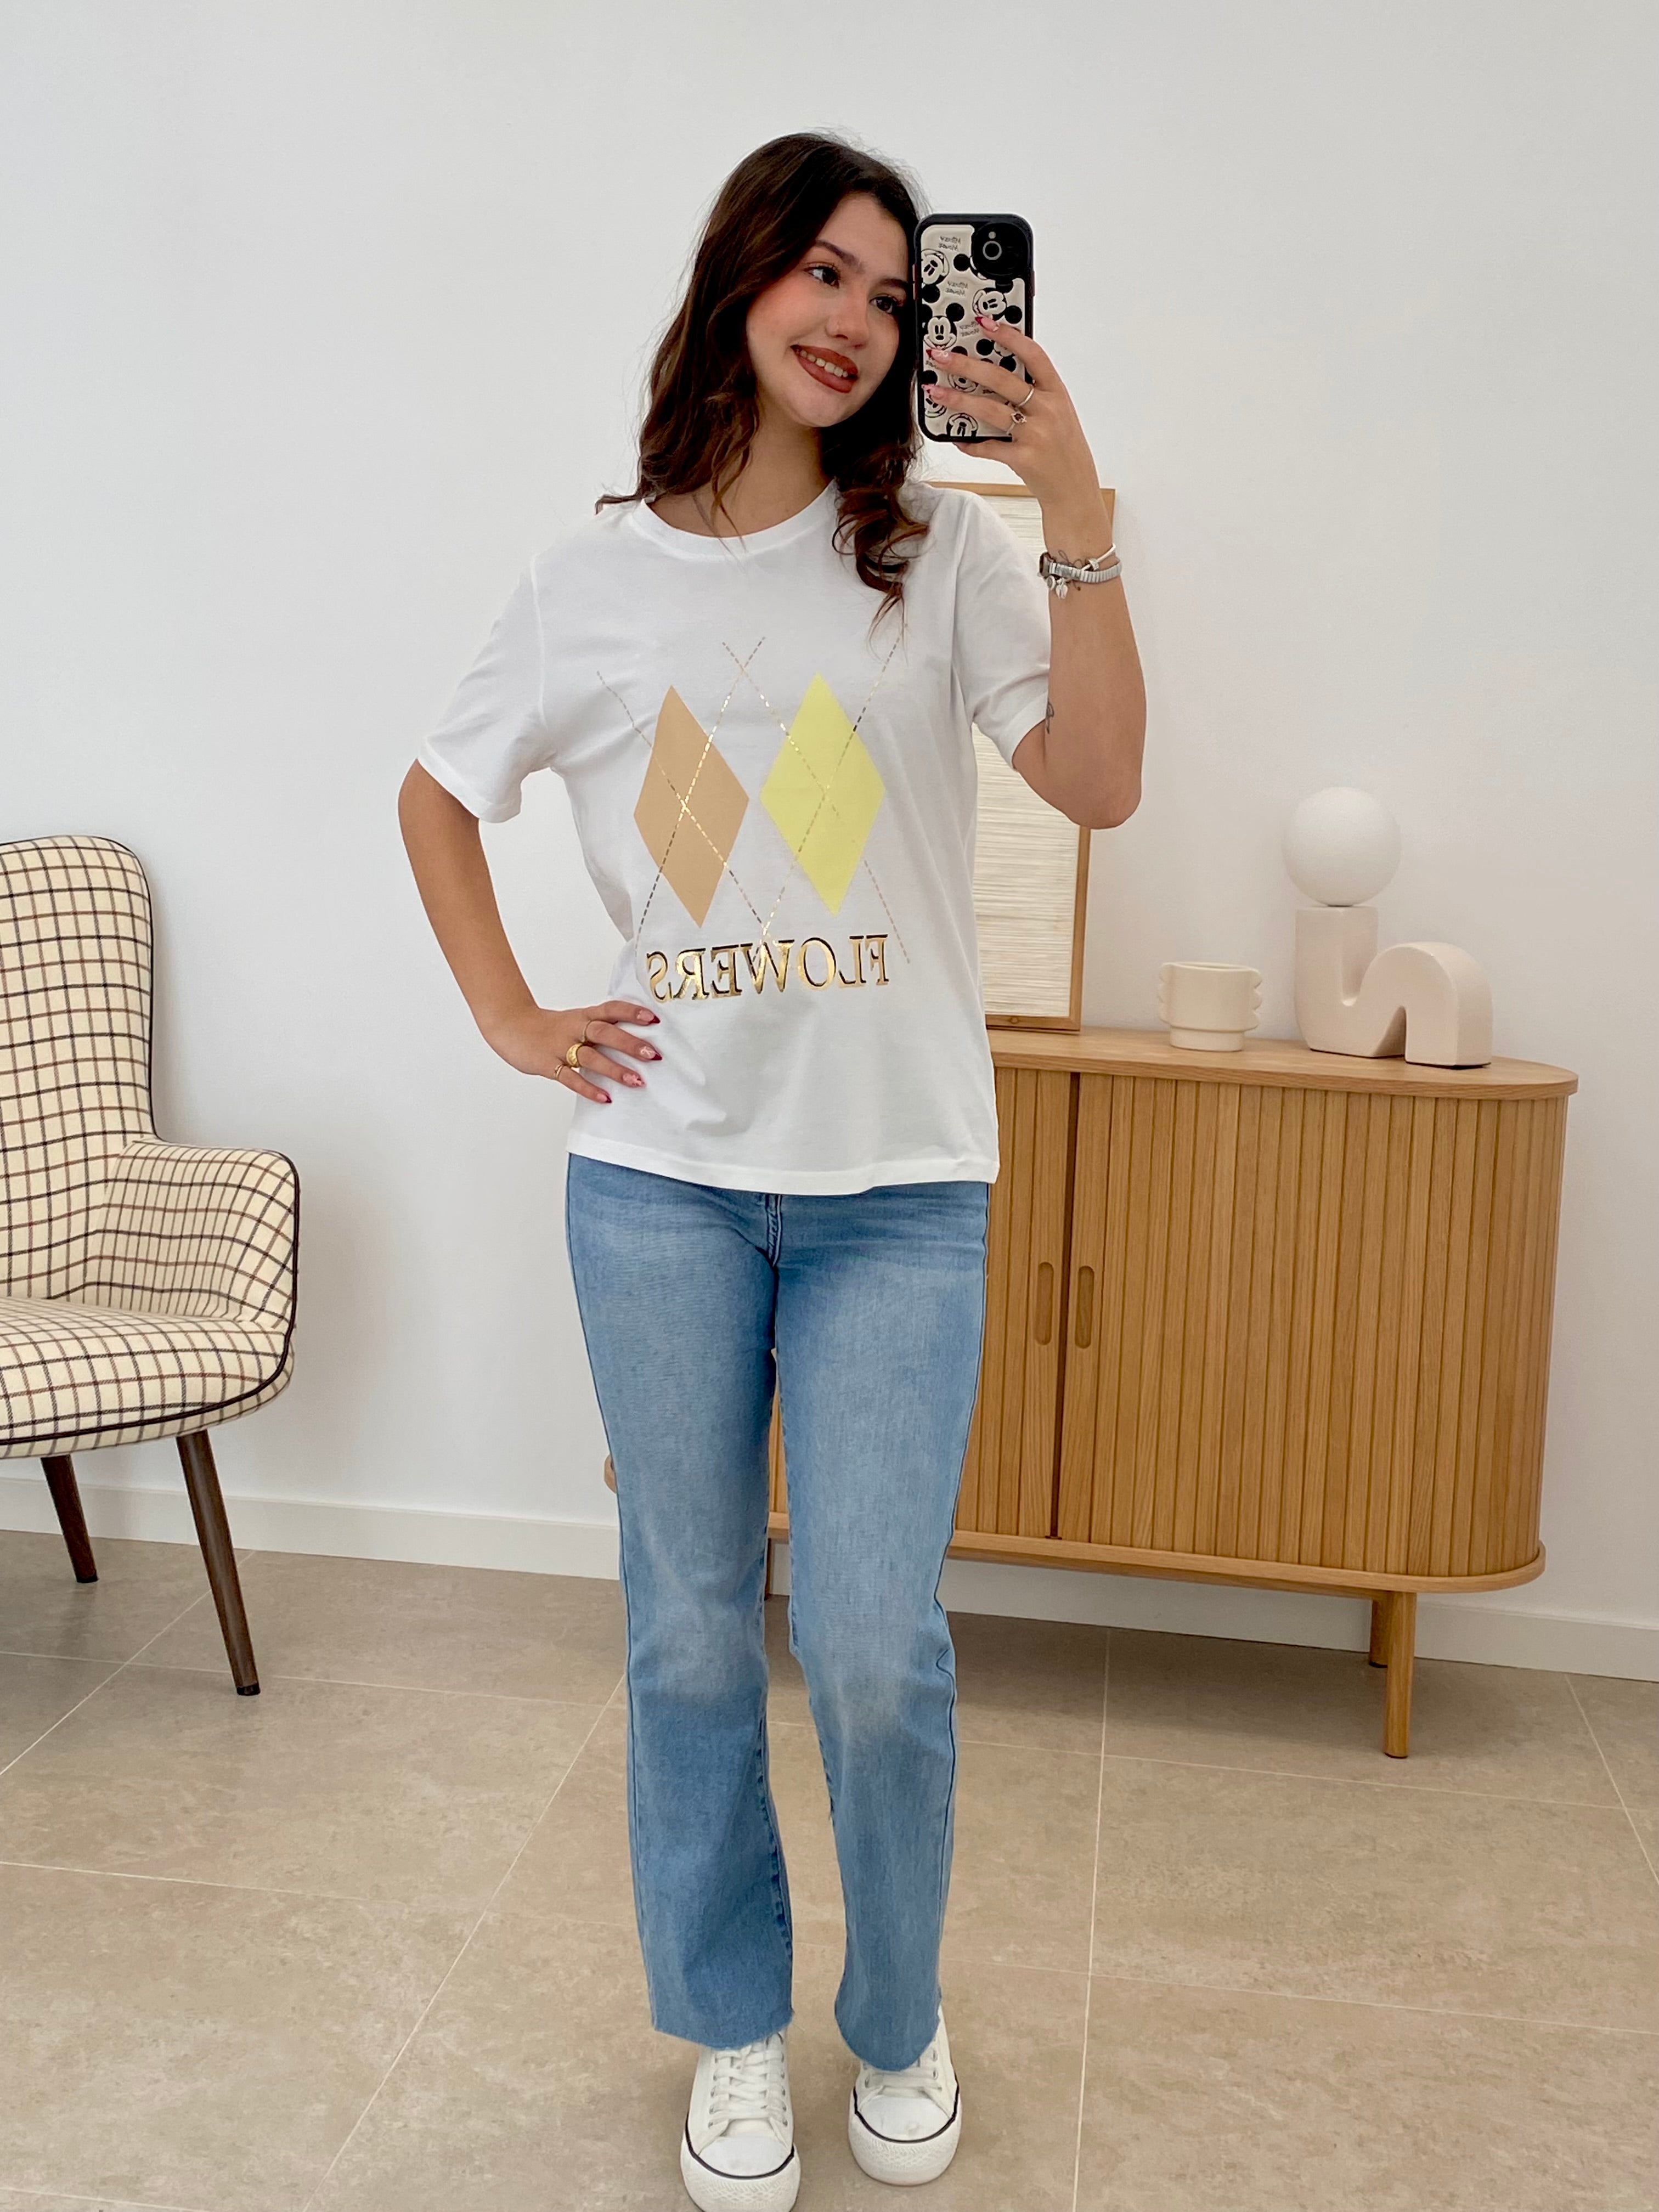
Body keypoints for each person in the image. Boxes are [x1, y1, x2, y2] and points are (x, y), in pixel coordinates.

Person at [399, 131, 1144, 2211]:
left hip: (900, 1187)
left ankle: (896, 2022)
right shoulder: (590, 577)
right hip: (660, 1187)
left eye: (896, 296)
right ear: (739, 278)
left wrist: (1078, 520)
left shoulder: (945, 554)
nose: (859, 320)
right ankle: (733, 2023)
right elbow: (439, 795)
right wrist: (513, 1015)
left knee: (885, 1650)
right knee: (689, 1638)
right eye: (825, 270)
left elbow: (1099, 783)